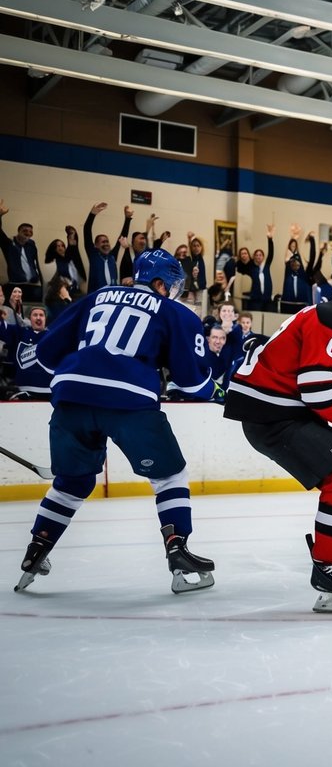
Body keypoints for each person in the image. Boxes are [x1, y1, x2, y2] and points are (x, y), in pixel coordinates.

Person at [16, 250, 221, 594]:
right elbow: (189, 380)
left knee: (72, 482)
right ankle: (178, 549)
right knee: (169, 475)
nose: (172, 293)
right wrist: (217, 391)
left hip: (71, 397)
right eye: (171, 285)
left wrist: (78, 378)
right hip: (130, 399)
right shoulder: (173, 311)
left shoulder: (96, 296)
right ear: (159, 283)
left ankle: (36, 550)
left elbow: (48, 352)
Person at [224, 254, 332, 613]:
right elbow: (318, 391)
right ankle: (328, 567)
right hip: (275, 417)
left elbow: (317, 388)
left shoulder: (325, 313)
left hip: (278, 412)